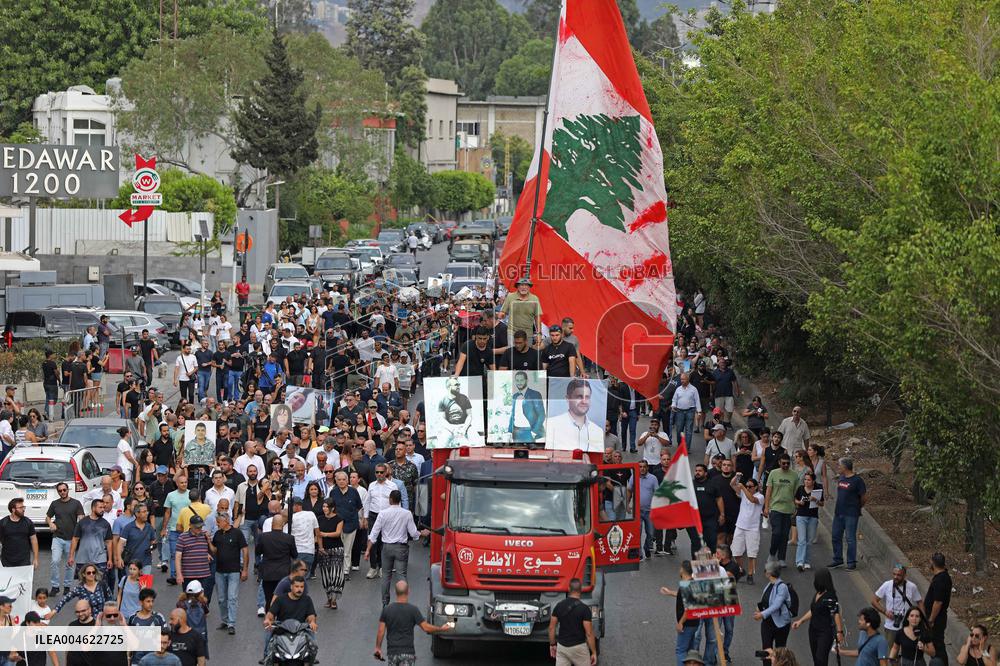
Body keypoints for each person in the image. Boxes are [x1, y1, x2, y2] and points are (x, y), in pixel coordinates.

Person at [364, 489, 428, 607]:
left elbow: (374, 534)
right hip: (401, 547)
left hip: (386, 547)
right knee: (401, 575)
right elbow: (413, 533)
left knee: (386, 576)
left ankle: (385, 602)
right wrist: (421, 533)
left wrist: (368, 550)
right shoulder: (406, 514)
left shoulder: (382, 513)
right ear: (400, 500)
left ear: (390, 499)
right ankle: (403, 602)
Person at [374, 580, 454, 664]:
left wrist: (378, 648)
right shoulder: (413, 610)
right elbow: (426, 628)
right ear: (408, 591)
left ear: (395, 591)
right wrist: (441, 629)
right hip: (408, 653)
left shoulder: (387, 610)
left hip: (392, 653)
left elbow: (381, 631)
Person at [791, 568, 845, 666]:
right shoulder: (818, 593)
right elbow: (813, 610)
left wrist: (839, 632)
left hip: (825, 632)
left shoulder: (830, 596)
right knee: (816, 658)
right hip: (813, 630)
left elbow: (836, 614)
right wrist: (800, 621)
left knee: (821, 659)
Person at [263, 576, 317, 664]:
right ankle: (266, 655)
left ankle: (312, 657)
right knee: (269, 632)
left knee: (312, 635)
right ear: (291, 587)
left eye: (302, 587)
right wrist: (268, 620)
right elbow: (270, 614)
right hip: (282, 628)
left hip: (301, 629)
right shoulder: (281, 599)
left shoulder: (307, 600)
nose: (299, 589)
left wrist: (312, 622)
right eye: (297, 586)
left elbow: (311, 615)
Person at [209, 511, 248, 634]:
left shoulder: (237, 533)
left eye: (218, 522)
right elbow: (214, 550)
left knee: (232, 597)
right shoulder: (217, 534)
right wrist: (208, 541)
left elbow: (245, 550)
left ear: (226, 521)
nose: (217, 524)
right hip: (219, 571)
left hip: (233, 571)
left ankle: (231, 623)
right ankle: (225, 620)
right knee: (221, 598)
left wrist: (245, 569)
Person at [547, 578, 598, 666]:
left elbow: (551, 628)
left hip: (562, 647)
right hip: (579, 648)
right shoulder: (584, 609)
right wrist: (594, 652)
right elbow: (589, 633)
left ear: (569, 589)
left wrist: (552, 644)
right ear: (581, 590)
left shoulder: (559, 606)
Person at [661, 560, 702, 666]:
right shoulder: (693, 583)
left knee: (681, 651)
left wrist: (681, 622)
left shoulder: (686, 585)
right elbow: (684, 597)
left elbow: (689, 608)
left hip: (687, 624)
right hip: (695, 622)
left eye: (680, 568)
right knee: (690, 651)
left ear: (683, 570)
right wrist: (669, 592)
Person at [46, 482, 85, 595]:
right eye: (60, 491)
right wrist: (50, 523)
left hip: (71, 539)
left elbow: (81, 518)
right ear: (58, 492)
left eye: (64, 490)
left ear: (68, 490)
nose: (62, 492)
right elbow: (48, 517)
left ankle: (67, 586)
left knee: (70, 563)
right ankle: (55, 586)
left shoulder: (76, 503)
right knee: (55, 561)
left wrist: (80, 528)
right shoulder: (55, 504)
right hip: (57, 537)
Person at [828, 457, 866, 571]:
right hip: (839, 512)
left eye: (839, 465)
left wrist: (857, 507)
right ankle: (838, 559)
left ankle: (851, 562)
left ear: (845, 467)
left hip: (851, 514)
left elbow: (863, 497)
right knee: (835, 536)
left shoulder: (857, 480)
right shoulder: (841, 478)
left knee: (850, 538)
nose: (838, 467)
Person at [871, 563, 922, 645]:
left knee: (907, 650)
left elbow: (920, 602)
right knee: (891, 650)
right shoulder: (887, 585)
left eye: (899, 575)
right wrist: (885, 612)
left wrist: (921, 618)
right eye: (894, 574)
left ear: (905, 576)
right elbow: (874, 600)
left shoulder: (912, 587)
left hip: (908, 626)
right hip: (891, 626)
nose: (895, 577)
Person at [753, 561, 793, 665]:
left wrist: (762, 614)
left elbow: (776, 605)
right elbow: (766, 600)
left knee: (780, 652)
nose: (764, 572)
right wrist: (759, 608)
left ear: (769, 573)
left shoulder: (782, 587)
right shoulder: (769, 585)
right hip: (767, 623)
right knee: (766, 649)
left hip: (781, 624)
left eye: (765, 570)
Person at [257, 514, 298, 613]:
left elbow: (258, 552)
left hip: (268, 573)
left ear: (272, 524)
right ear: (283, 524)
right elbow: (295, 555)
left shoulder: (263, 537)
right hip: (283, 573)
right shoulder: (289, 538)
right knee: (284, 599)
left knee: (269, 599)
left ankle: (269, 617)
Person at [548, 379, 603, 451]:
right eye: (579, 397)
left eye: (587, 397)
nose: (584, 401)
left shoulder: (597, 431)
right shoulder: (552, 425)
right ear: (568, 398)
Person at [764, 452, 797, 568]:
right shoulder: (773, 473)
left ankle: (782, 558)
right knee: (776, 532)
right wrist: (766, 507)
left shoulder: (794, 475)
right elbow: (768, 491)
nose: (786, 465)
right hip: (776, 507)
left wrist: (796, 507)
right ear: (779, 463)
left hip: (788, 509)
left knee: (784, 534)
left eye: (788, 463)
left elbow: (796, 493)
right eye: (783, 463)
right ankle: (772, 554)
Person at [316, 498, 345, 609]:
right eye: (323, 506)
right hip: (324, 549)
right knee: (326, 575)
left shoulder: (339, 519)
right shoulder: (319, 519)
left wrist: (325, 534)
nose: (324, 509)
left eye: (326, 507)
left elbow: (338, 533)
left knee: (335, 574)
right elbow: (318, 535)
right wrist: (320, 547)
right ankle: (328, 598)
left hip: (337, 549)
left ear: (332, 508)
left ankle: (334, 600)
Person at [627, 461, 660, 560]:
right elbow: (629, 490)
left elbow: (657, 493)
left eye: (644, 467)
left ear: (647, 468)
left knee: (651, 533)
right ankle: (640, 553)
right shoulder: (633, 477)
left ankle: (647, 547)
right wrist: (627, 504)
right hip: (637, 511)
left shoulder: (653, 478)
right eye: (640, 467)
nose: (642, 469)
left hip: (650, 511)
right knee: (638, 533)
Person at [924, 552, 953, 665]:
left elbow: (938, 602)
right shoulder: (942, 577)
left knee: (937, 645)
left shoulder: (941, 579)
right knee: (937, 643)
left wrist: (931, 619)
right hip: (938, 618)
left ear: (933, 563)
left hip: (937, 619)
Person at [794, 472, 823, 571]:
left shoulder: (817, 490)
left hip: (813, 516)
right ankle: (799, 561)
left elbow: (822, 503)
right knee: (802, 539)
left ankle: (807, 561)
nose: (806, 481)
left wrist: (815, 500)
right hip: (801, 516)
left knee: (809, 540)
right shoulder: (800, 489)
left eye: (809, 480)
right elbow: (795, 499)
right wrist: (799, 502)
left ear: (813, 481)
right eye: (805, 479)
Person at [507, 370, 546, 443]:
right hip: (516, 432)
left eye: (521, 380)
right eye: (517, 380)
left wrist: (534, 431)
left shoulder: (535, 394)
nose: (519, 382)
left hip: (530, 431)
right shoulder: (515, 396)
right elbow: (512, 415)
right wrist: (510, 431)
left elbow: (542, 415)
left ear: (526, 380)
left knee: (532, 450)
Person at [0, 497, 39, 567]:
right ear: (13, 510)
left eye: (23, 507)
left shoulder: (28, 522)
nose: (23, 509)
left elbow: (34, 540)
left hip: (24, 562)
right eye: (21, 508)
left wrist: (35, 558)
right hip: (7, 562)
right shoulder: (3, 523)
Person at [671, 373, 702, 446]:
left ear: (688, 379)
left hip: (690, 411)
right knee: (679, 429)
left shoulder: (694, 389)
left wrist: (699, 411)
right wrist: (673, 406)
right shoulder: (678, 389)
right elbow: (674, 399)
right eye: (681, 379)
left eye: (683, 379)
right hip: (679, 411)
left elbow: (697, 400)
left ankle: (687, 447)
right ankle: (680, 445)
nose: (682, 381)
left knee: (688, 430)